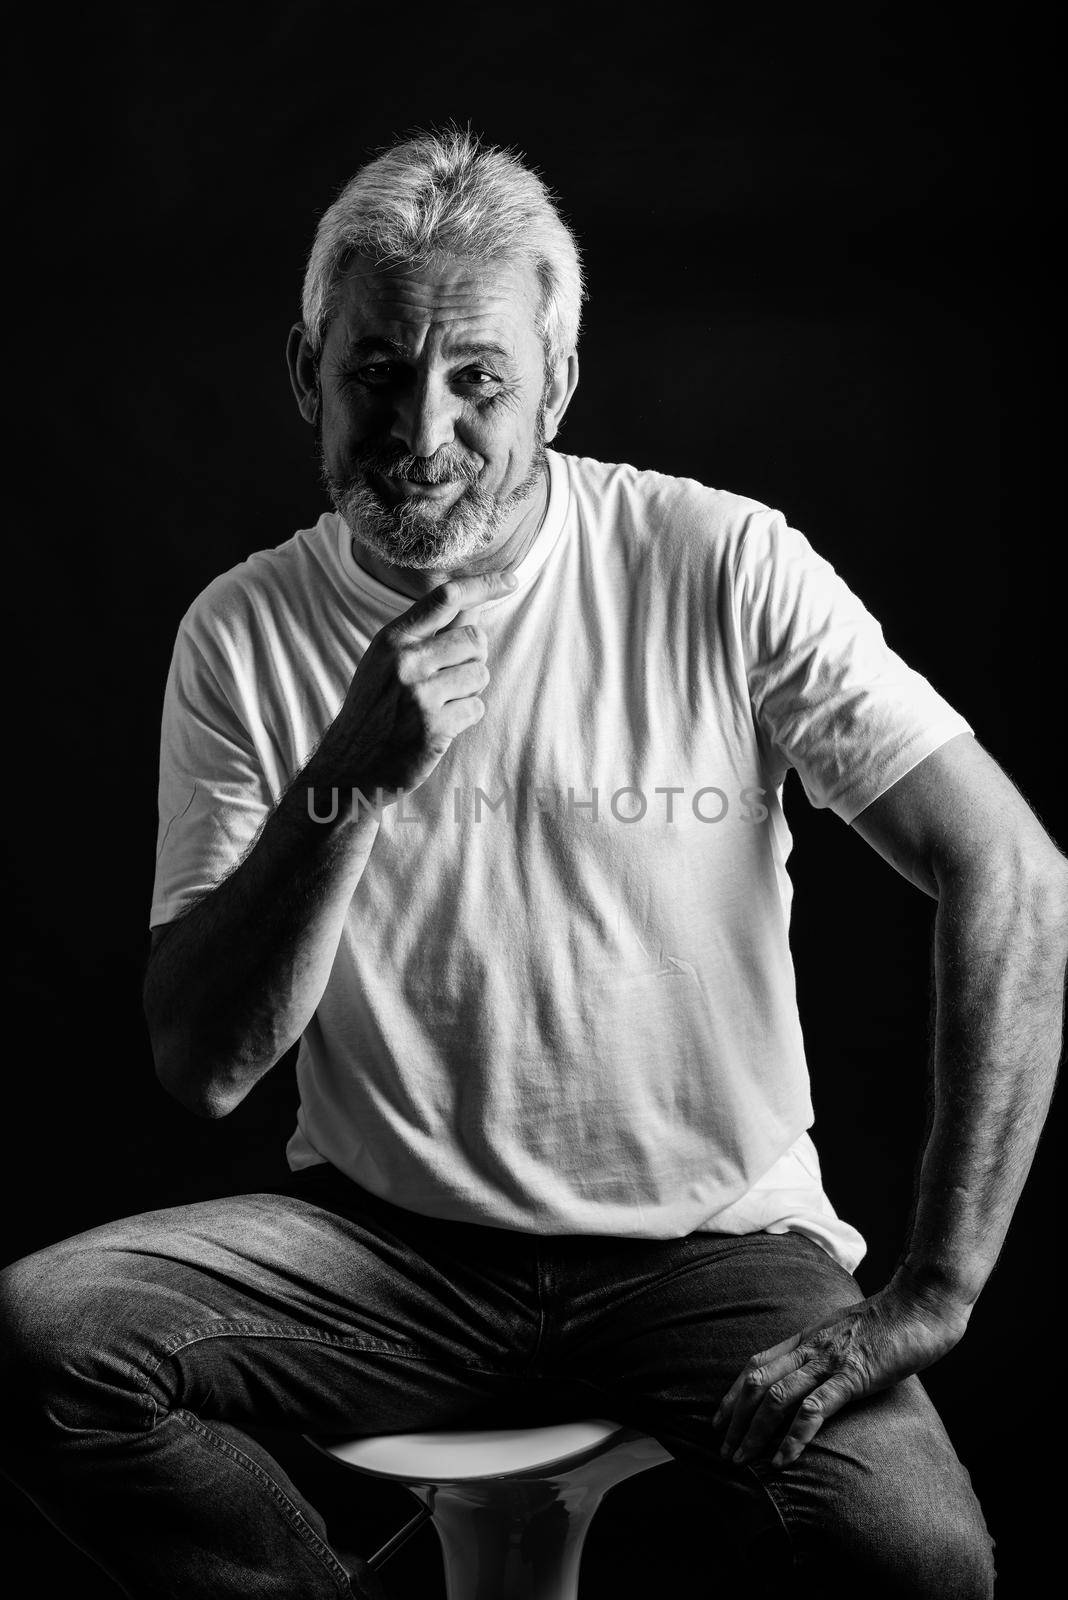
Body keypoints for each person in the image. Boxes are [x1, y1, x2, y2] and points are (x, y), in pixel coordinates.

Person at [1, 128, 1065, 1600]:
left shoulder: (718, 562)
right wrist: (349, 781)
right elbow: (206, 1065)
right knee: (41, 1338)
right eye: (377, 370)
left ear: (554, 388)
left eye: (477, 379)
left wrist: (936, 1290)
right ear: (309, 376)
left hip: (713, 1252)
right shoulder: (240, 634)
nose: (421, 429)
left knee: (923, 1566)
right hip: (392, 1255)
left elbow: (1010, 870)